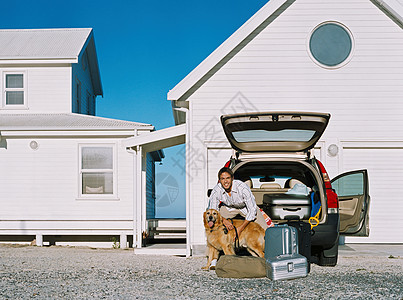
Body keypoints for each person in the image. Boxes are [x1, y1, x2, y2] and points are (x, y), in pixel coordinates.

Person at [207, 167, 268, 237]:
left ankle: (268, 245)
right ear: (219, 180)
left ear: (232, 178)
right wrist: (223, 220)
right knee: (212, 218)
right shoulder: (216, 190)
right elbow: (213, 209)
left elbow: (252, 210)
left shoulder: (243, 188)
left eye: (228, 178)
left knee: (264, 228)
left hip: (245, 207)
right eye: (222, 179)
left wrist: (240, 228)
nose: (225, 181)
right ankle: (220, 242)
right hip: (228, 208)